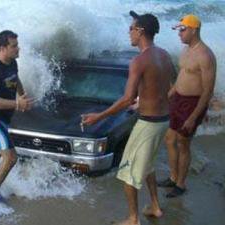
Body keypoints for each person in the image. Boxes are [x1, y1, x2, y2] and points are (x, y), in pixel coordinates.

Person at [81, 11, 175, 225]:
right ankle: (155, 207)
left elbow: (126, 100)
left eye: (131, 29)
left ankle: (133, 219)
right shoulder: (164, 55)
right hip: (163, 121)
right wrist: (147, 99)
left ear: (140, 31)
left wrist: (98, 116)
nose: (129, 33)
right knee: (148, 165)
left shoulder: (138, 61)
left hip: (148, 124)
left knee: (127, 173)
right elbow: (171, 87)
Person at [158, 14, 217, 198]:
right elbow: (181, 79)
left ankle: (181, 184)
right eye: (178, 30)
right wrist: (168, 96)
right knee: (169, 139)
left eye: (183, 30)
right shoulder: (186, 50)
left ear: (194, 30)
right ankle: (173, 177)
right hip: (178, 99)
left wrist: (193, 117)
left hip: (192, 104)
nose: (179, 34)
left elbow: (208, 91)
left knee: (183, 143)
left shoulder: (205, 56)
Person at [0, 30, 33, 202]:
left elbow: (15, 79)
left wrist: (22, 95)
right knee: (10, 157)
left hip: (2, 118)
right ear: (3, 48)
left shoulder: (11, 62)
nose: (18, 48)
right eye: (14, 46)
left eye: (17, 45)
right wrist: (17, 104)